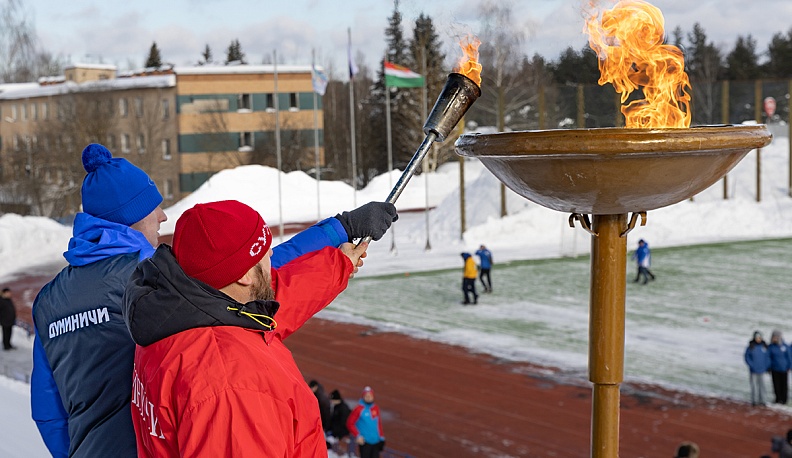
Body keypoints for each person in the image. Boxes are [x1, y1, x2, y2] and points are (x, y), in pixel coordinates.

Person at [29, 143, 397, 457]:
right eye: (151, 208)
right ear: (126, 218)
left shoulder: (49, 300)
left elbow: (49, 414)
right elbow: (248, 278)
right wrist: (340, 231)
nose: (162, 215)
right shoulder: (151, 278)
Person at [122, 200, 384, 456]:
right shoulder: (233, 387)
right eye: (265, 252)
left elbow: (279, 299)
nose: (273, 255)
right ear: (243, 276)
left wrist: (340, 263)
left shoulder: (180, 316)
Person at [347, 386, 386, 458]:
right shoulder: (358, 409)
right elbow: (350, 423)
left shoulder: (375, 408)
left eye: (370, 396)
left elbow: (378, 423)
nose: (368, 398)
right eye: (366, 396)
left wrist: (381, 437)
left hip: (375, 442)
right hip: (365, 442)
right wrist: (358, 435)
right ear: (363, 397)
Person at [745, 330, 771, 406]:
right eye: (757, 338)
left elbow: (768, 357)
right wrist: (752, 365)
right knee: (754, 386)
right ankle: (754, 401)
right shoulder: (751, 347)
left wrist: (767, 366)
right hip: (753, 370)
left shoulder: (765, 347)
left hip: (762, 370)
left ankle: (763, 400)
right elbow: (747, 357)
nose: (758, 339)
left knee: (762, 386)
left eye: (759, 337)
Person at [768, 330, 792, 404]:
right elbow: (768, 358)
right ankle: (777, 399)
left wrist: (790, 366)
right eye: (773, 337)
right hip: (774, 369)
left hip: (784, 369)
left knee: (784, 385)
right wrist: (768, 367)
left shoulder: (785, 346)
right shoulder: (771, 347)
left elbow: (789, 357)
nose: (774, 338)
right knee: (776, 385)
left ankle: (784, 400)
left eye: (776, 337)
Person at [329, 389, 352, 455]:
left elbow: (343, 424)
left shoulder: (343, 409)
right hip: (335, 433)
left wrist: (336, 434)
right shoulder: (336, 407)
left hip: (340, 435)